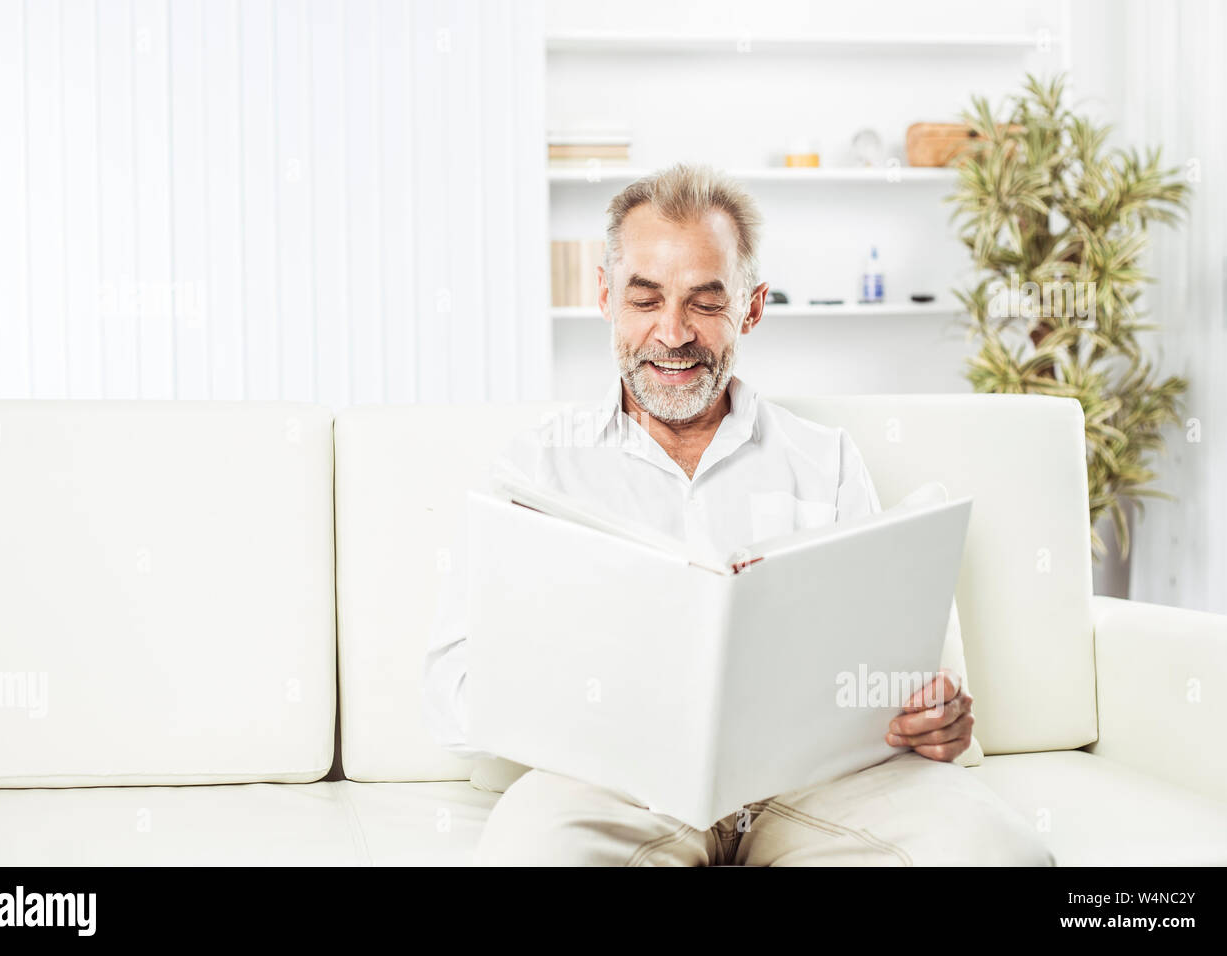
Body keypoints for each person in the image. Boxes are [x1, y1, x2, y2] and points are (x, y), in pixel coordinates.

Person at [423, 163, 1053, 867]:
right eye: (645, 299)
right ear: (605, 297)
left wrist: (931, 716)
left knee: (1001, 851)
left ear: (751, 307)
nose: (672, 333)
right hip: (616, 788)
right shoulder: (538, 471)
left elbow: (892, 669)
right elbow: (455, 690)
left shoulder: (826, 462)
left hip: (813, 790)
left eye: (704, 302)